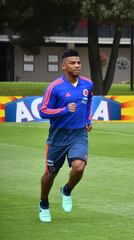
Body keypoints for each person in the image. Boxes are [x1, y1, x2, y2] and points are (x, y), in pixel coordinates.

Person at [38, 49, 93, 222]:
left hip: (79, 134)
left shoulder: (87, 84)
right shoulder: (54, 87)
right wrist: (63, 110)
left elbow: (89, 101)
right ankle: (44, 203)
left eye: (78, 63)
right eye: (72, 63)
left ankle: (67, 190)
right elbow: (43, 111)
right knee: (50, 174)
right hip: (58, 137)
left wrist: (87, 118)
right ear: (63, 66)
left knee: (79, 167)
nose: (77, 66)